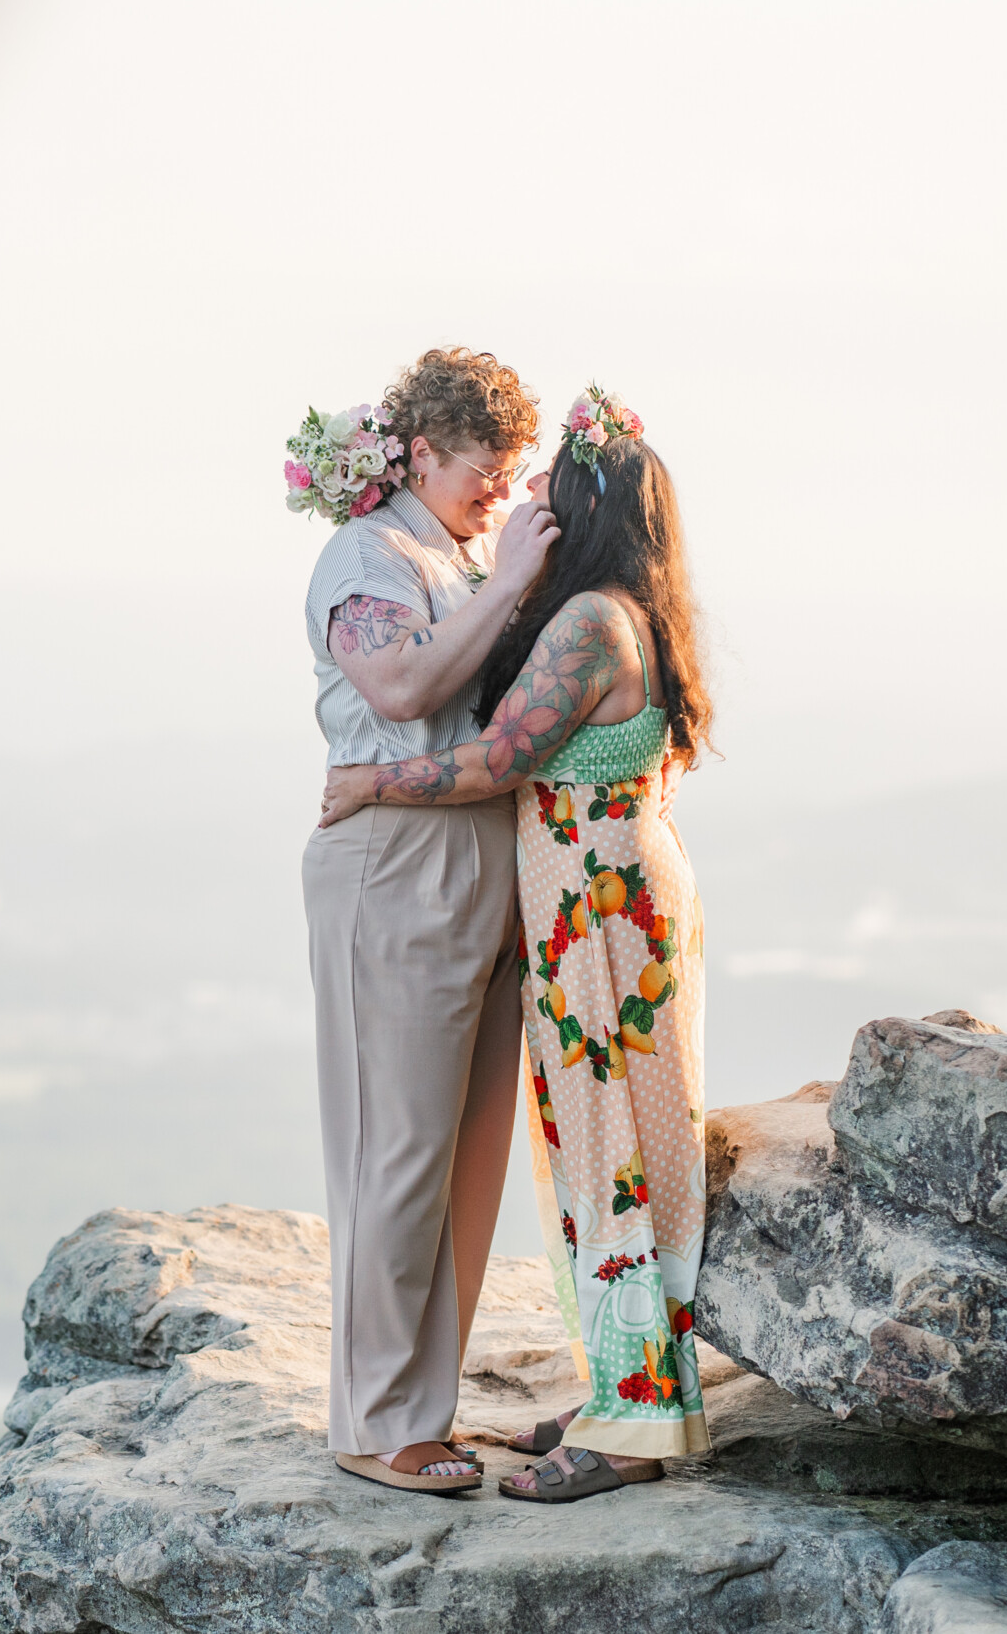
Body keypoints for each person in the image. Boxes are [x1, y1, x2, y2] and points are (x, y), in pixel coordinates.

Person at [317, 395, 714, 1504]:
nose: (526, 496)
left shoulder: (589, 620)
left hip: (601, 916)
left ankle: (638, 1420)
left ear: (583, 512)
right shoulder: (623, 605)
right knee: (598, 1147)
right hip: (601, 908)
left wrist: (369, 781)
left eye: (547, 487)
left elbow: (496, 760)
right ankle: (621, 1387)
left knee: (613, 1150)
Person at [299, 348, 556, 1496]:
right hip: (392, 864)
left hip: (484, 856)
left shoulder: (455, 554)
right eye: (479, 470)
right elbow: (398, 693)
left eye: (509, 473)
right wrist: (506, 585)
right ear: (416, 452)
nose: (494, 491)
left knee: (468, 1151)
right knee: (394, 1147)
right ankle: (376, 1420)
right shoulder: (368, 557)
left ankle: (428, 1404)